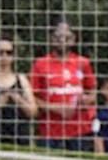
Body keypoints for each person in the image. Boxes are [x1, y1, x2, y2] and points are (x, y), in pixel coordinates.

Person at [31, 21, 96, 152]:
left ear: (74, 40)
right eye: (58, 36)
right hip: (51, 131)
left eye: (67, 37)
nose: (62, 40)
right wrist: (55, 108)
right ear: (52, 39)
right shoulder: (40, 64)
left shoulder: (83, 62)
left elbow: (93, 91)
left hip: (80, 130)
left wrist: (86, 100)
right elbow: (32, 98)